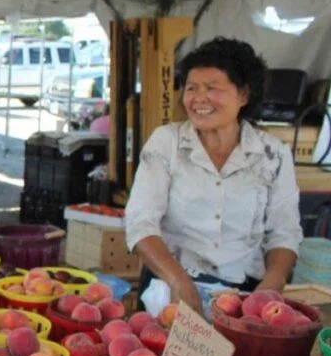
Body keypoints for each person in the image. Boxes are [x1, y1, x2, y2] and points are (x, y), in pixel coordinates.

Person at [124, 37, 303, 315]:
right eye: (192, 88)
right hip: (170, 290)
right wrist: (181, 283)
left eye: (212, 88)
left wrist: (270, 286)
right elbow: (140, 222)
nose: (199, 98)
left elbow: (284, 231)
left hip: (245, 293)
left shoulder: (273, 154)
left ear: (243, 95)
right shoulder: (166, 143)